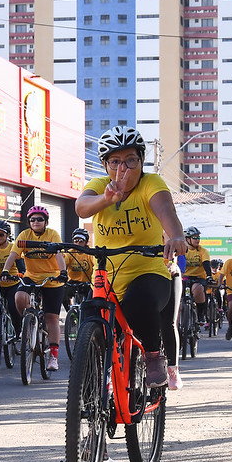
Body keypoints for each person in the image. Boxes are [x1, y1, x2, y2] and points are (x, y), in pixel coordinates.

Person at [75, 126, 186, 389]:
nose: (122, 168)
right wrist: (106, 199)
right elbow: (81, 207)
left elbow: (165, 209)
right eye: (115, 161)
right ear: (104, 164)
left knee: (139, 302)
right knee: (91, 319)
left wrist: (175, 236)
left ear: (142, 161)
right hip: (107, 277)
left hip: (148, 272)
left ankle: (153, 356)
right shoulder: (99, 185)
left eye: (130, 160)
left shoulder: (151, 183)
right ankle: (97, 381)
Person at [1, 205, 67, 372]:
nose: (36, 222)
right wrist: (5, 271)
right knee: (19, 297)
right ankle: (28, 324)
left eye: (40, 219)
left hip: (53, 278)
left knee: (52, 317)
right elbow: (13, 255)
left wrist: (63, 272)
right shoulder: (24, 235)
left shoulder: (52, 234)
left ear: (46, 221)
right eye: (32, 219)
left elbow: (59, 255)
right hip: (32, 276)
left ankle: (53, 356)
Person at [0, 219, 22, 335]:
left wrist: (21, 274)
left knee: (13, 308)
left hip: (12, 283)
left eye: (1, 234)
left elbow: (21, 266)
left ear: (8, 235)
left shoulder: (12, 248)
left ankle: (18, 331)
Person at [182, 226, 213, 326]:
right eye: (194, 237)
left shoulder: (202, 251)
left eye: (198, 237)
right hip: (185, 278)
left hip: (199, 279)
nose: (197, 240)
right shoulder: (182, 250)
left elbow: (206, 264)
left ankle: (200, 315)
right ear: (187, 239)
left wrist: (209, 275)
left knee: (197, 288)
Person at [64, 227, 94, 308]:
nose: (78, 243)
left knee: (90, 302)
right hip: (72, 282)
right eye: (75, 240)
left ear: (86, 242)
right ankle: (70, 312)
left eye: (81, 241)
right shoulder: (70, 253)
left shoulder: (90, 253)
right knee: (62, 293)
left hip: (87, 283)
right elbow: (64, 262)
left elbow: (95, 264)